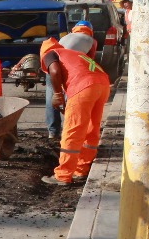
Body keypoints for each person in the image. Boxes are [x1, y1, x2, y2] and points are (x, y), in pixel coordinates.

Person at [41, 41, 111, 186]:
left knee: (73, 129)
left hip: (84, 85)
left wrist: (57, 95)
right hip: (102, 84)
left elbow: (54, 71)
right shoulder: (74, 54)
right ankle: (81, 169)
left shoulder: (50, 53)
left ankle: (63, 175)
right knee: (92, 127)